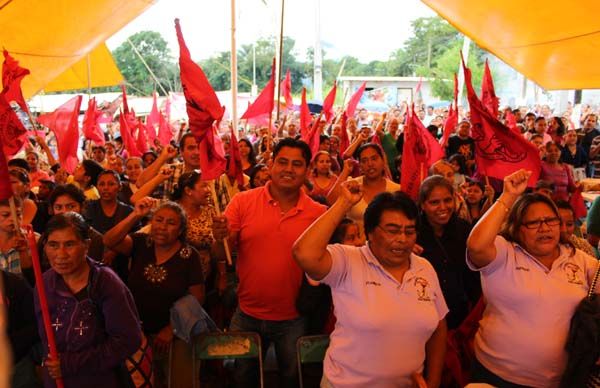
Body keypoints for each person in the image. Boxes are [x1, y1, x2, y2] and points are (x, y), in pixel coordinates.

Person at [293, 186, 447, 387]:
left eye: (409, 231)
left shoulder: (424, 268)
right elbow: (304, 254)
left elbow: (439, 327)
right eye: (392, 230)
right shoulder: (349, 260)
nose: (402, 239)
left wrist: (433, 383)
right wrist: (343, 203)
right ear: (370, 232)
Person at [466, 169, 600, 387]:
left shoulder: (579, 259)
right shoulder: (505, 253)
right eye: (534, 223)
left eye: (550, 221)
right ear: (518, 229)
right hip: (496, 376)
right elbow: (476, 246)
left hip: (558, 381)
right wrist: (507, 196)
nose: (544, 228)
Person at [212, 137, 326, 387]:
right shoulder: (243, 202)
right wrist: (219, 238)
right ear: (271, 164)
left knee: (291, 378)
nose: (288, 169)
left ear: (307, 171)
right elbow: (222, 255)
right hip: (246, 314)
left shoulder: (318, 213)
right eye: (282, 162)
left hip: (294, 318)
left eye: (297, 164)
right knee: (242, 379)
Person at [104, 199, 205, 388]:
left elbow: (197, 297)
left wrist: (171, 329)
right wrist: (136, 215)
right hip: (137, 330)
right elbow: (109, 240)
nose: (162, 227)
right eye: (158, 220)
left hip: (176, 332)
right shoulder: (141, 243)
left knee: (179, 381)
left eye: (171, 223)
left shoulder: (189, 256)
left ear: (181, 230)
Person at [38, 212, 142, 388]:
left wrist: (69, 363)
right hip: (58, 380)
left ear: (86, 245)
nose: (61, 254)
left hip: (99, 380)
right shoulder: (45, 282)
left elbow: (128, 340)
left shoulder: (106, 283)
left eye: (69, 244)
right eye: (53, 245)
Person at [417, 175, 480, 329]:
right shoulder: (411, 233)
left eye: (447, 200)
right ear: (423, 205)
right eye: (434, 202)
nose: (443, 207)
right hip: (423, 316)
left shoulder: (464, 229)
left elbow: (473, 276)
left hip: (459, 315)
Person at [328, 144, 401, 241]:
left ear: (383, 160)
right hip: (355, 248)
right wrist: (345, 172)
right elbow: (330, 201)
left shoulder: (396, 190)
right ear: (360, 166)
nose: (370, 164)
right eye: (364, 161)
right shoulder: (352, 185)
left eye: (374, 159)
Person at [83, 170, 134, 280]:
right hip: (92, 262)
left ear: (119, 187)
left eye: (111, 184)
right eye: (102, 184)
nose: (106, 188)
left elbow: (134, 238)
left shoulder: (128, 212)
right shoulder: (89, 208)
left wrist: (115, 250)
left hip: (120, 266)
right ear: (97, 187)